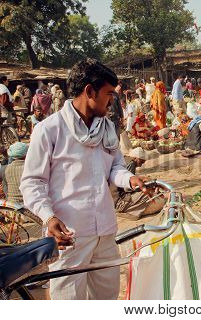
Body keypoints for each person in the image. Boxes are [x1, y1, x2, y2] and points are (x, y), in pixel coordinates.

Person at [20, 58, 151, 300]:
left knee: (106, 299)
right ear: (89, 91)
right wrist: (48, 216)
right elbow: (32, 182)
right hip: (68, 235)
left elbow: (116, 168)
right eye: (109, 94)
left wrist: (130, 179)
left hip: (105, 230)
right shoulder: (50, 130)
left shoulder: (107, 129)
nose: (112, 100)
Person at [115, 147, 165, 220]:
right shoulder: (131, 163)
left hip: (114, 197)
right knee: (149, 194)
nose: (141, 165)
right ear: (136, 158)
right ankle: (129, 211)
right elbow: (127, 186)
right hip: (119, 199)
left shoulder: (125, 159)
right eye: (141, 162)